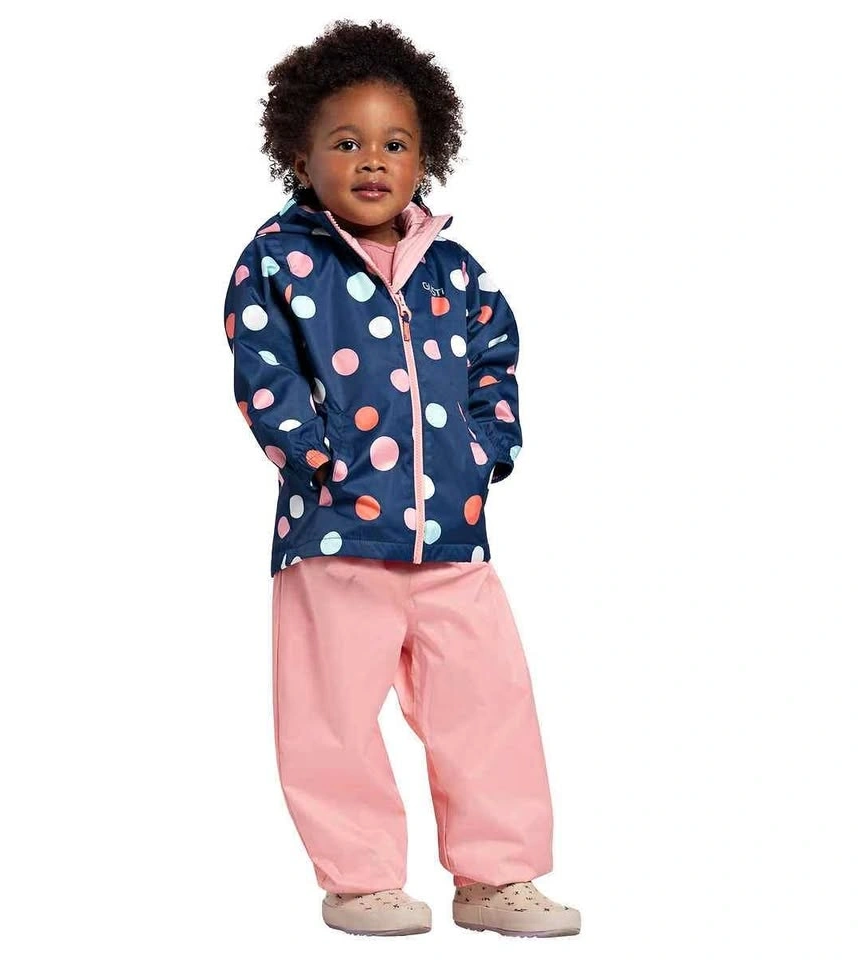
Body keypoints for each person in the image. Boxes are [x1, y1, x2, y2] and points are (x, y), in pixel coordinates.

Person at [222, 19, 581, 938]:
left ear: (427, 156)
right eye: (346, 143)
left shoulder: (455, 270)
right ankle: (360, 880)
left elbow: (496, 356)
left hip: (451, 534)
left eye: (395, 143)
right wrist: (318, 457)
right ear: (300, 155)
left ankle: (496, 876)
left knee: (487, 704)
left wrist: (487, 447)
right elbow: (263, 371)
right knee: (331, 717)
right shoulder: (280, 259)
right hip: (335, 534)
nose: (372, 160)